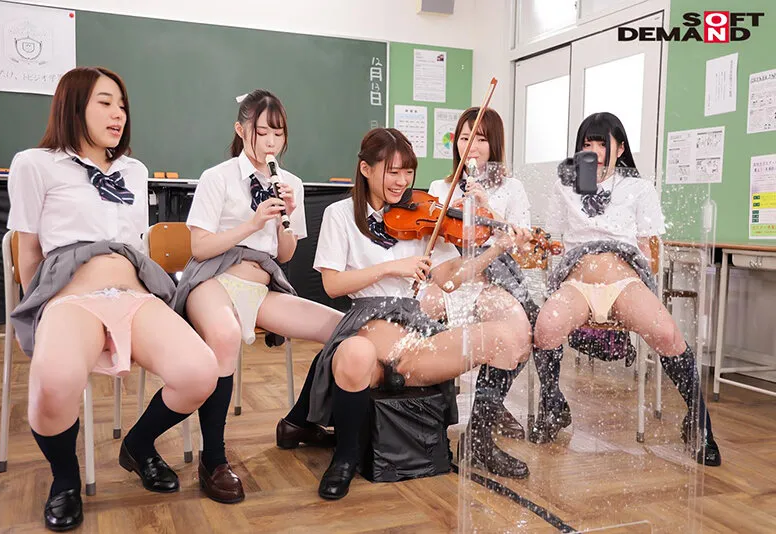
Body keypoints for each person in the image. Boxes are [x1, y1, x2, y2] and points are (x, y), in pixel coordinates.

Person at [7, 67, 219, 531]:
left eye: (122, 105)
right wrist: (38, 315)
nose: (118, 114)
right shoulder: (34, 164)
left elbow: (134, 245)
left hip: (133, 294)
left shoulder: (134, 171)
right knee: (54, 380)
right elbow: (28, 250)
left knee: (200, 372)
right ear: (73, 105)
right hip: (71, 296)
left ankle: (139, 445)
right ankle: (65, 479)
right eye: (105, 102)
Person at [280, 127, 533, 502]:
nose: (402, 181)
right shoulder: (339, 214)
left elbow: (448, 279)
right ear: (366, 169)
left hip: (416, 337)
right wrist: (390, 268)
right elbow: (333, 285)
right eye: (392, 171)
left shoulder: (421, 217)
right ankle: (345, 458)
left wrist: (497, 248)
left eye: (408, 172)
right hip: (367, 325)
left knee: (506, 338)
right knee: (353, 354)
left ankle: (480, 441)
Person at [172, 89, 344, 503]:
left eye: (278, 134)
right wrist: (251, 224)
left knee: (341, 329)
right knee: (225, 336)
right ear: (240, 130)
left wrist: (287, 218)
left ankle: (299, 420)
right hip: (213, 282)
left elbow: (285, 255)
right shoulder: (217, 177)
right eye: (261, 132)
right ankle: (214, 459)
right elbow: (199, 248)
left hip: (260, 288)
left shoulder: (291, 183)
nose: (270, 142)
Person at [531, 112, 721, 466]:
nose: (593, 151)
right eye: (586, 143)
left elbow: (649, 248)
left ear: (619, 148)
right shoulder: (564, 185)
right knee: (545, 327)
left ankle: (698, 421)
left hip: (623, 282)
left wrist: (642, 281)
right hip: (577, 284)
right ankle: (553, 404)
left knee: (667, 334)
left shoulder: (639, 188)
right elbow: (554, 241)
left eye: (601, 143)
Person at [426, 107, 537, 450]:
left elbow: (522, 245)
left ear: (494, 145)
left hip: (496, 276)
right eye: (464, 138)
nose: (471, 146)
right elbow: (434, 244)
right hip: (455, 274)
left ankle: (488, 408)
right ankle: (436, 409)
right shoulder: (440, 187)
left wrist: (487, 206)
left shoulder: (512, 188)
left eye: (481, 139)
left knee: (527, 326)